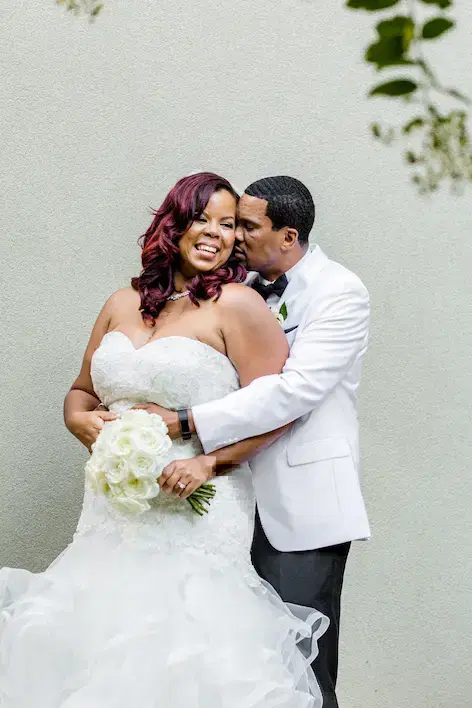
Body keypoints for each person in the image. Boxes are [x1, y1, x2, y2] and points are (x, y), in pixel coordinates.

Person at [0, 172, 327, 707]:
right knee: (98, 644)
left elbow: (278, 411)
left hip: (195, 505)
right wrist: (76, 418)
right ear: (173, 225)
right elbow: (83, 390)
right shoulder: (121, 301)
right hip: (111, 511)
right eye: (202, 218)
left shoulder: (239, 306)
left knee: (184, 652)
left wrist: (210, 463)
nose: (215, 234)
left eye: (228, 225)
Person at [144, 176, 371, 708]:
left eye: (247, 225)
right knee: (230, 664)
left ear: (288, 237)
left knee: (301, 671)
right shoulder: (234, 283)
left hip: (300, 504)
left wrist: (183, 421)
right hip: (223, 505)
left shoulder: (340, 292)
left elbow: (295, 392)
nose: (235, 236)